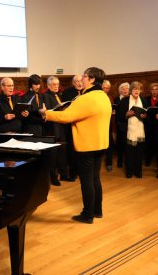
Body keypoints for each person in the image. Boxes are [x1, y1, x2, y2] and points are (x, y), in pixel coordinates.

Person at [40, 67, 111, 224]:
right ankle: (97, 210)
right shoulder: (104, 96)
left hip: (87, 145)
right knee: (95, 178)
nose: (82, 79)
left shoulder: (87, 98)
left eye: (85, 77)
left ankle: (87, 214)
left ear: (92, 79)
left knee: (86, 180)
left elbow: (67, 116)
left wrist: (47, 113)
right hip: (101, 143)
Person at [116, 81, 148, 178]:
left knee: (139, 152)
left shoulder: (143, 100)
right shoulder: (124, 101)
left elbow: (148, 114)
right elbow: (119, 116)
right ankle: (129, 171)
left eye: (138, 89)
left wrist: (145, 116)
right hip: (128, 130)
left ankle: (138, 171)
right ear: (131, 90)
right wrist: (126, 114)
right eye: (134, 89)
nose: (136, 91)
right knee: (129, 152)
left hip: (140, 129)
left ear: (140, 90)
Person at [43, 76, 67, 185]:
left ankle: (63, 174)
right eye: (54, 85)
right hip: (52, 128)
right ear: (48, 86)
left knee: (62, 152)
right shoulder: (46, 96)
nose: (56, 86)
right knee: (53, 155)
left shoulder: (59, 95)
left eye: (58, 84)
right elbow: (47, 111)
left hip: (61, 126)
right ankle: (53, 177)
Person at [144, 83, 158, 167]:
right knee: (148, 143)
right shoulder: (146, 99)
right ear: (150, 91)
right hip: (148, 123)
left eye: (156, 89)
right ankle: (148, 160)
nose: (154, 91)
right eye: (153, 89)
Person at [114, 82, 130, 168]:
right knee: (120, 143)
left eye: (126, 88)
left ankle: (128, 160)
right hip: (119, 123)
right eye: (123, 89)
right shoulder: (116, 99)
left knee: (128, 144)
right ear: (120, 90)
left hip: (129, 123)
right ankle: (120, 160)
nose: (125, 90)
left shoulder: (131, 99)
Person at [102, 80, 115, 171]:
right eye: (104, 88)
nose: (105, 90)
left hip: (108, 123)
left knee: (109, 143)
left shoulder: (110, 97)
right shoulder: (97, 97)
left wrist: (113, 112)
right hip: (98, 124)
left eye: (107, 88)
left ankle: (109, 163)